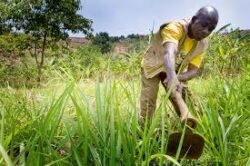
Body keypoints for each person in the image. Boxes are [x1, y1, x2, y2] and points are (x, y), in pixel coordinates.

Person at [140, 6, 219, 127]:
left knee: (187, 101)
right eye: (204, 25)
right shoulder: (175, 28)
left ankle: (188, 127)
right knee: (149, 101)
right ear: (193, 20)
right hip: (153, 65)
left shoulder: (202, 44)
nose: (206, 31)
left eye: (211, 29)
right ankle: (145, 132)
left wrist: (177, 77)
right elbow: (169, 53)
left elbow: (193, 71)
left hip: (174, 70)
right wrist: (172, 78)